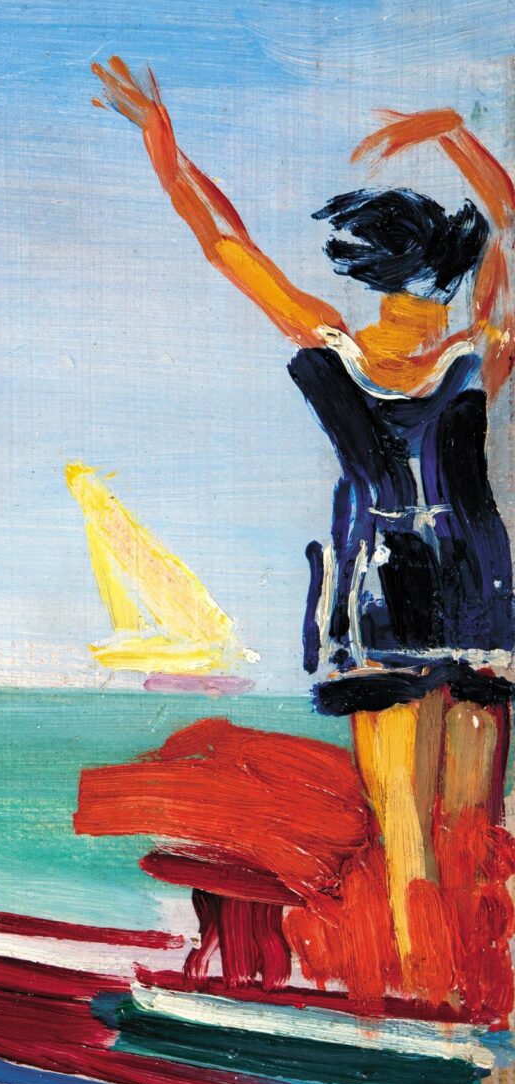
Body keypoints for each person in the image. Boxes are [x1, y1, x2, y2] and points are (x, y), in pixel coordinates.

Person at [93, 57, 515, 999]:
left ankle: (430, 1009)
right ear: (448, 273)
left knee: (405, 835)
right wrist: (454, 133)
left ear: (372, 272)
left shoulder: (335, 351)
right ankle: (474, 1008)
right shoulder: (477, 355)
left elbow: (224, 243)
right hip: (479, 597)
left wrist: (163, 143)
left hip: (380, 600)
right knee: (471, 834)